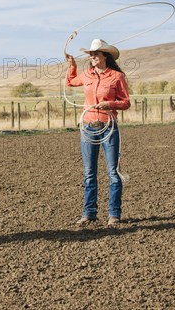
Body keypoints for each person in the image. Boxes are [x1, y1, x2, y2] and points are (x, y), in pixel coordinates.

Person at [65, 39, 131, 226]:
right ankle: (89, 213)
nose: (92, 57)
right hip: (88, 127)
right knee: (89, 172)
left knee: (113, 171)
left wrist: (109, 104)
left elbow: (126, 102)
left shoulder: (117, 77)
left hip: (108, 127)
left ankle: (114, 214)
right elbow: (70, 82)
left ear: (105, 56)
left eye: (95, 54)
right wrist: (72, 65)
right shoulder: (87, 75)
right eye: (91, 54)